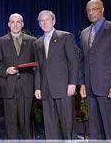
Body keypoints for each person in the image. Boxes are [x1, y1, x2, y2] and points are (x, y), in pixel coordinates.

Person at [79, 0, 111, 139]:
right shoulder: (85, 33)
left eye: (95, 9)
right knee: (95, 128)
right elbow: (83, 60)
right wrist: (82, 83)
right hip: (90, 88)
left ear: (102, 10)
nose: (91, 12)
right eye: (89, 10)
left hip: (108, 87)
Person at [33, 10, 78, 139]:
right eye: (42, 20)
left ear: (54, 21)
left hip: (64, 88)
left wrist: (72, 83)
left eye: (48, 19)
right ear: (39, 24)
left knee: (67, 124)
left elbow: (73, 63)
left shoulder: (65, 36)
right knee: (50, 125)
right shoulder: (37, 43)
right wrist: (37, 87)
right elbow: (38, 68)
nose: (45, 22)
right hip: (46, 89)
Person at [0, 13, 36, 139]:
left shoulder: (32, 41)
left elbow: (38, 64)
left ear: (22, 24)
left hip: (26, 86)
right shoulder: (0, 42)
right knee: (10, 123)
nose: (15, 24)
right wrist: (5, 70)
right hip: (8, 86)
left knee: (26, 122)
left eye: (18, 22)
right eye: (12, 22)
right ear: (8, 24)